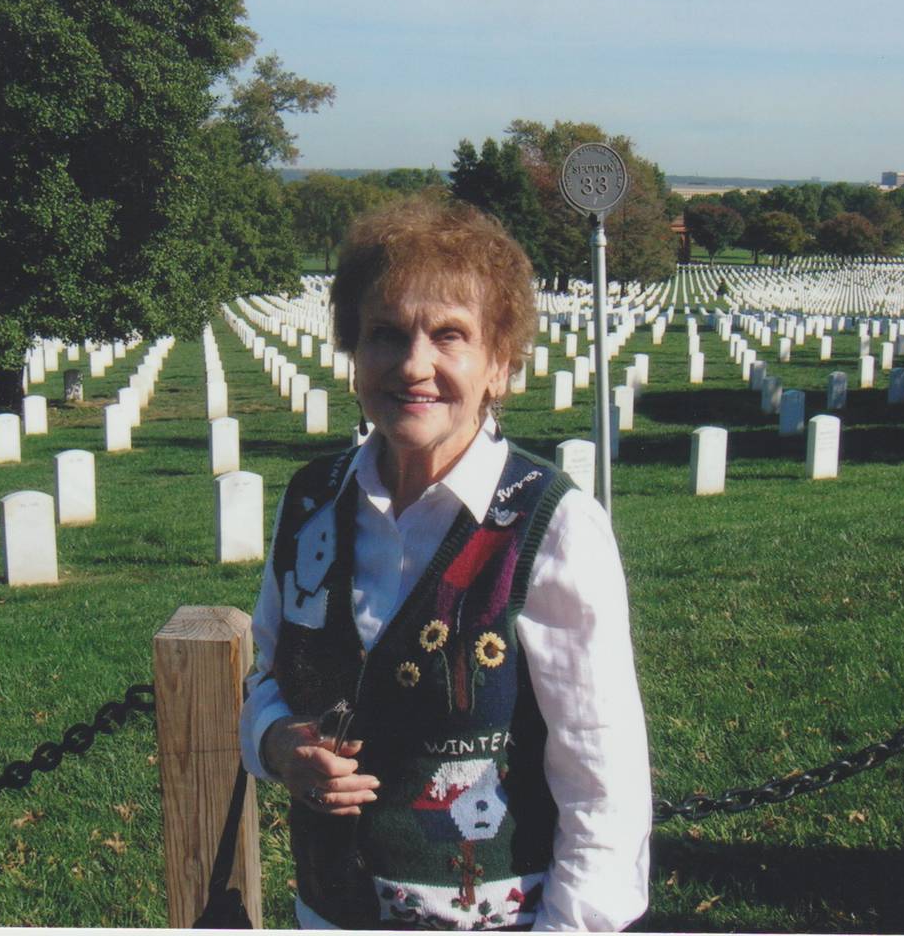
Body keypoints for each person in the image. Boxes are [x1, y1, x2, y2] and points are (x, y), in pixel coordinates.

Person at [239, 196, 651, 931]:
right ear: (353, 352)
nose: (412, 365)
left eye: (449, 336)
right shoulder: (310, 504)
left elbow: (602, 783)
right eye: (385, 334)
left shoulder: (553, 527)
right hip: (325, 915)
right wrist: (276, 745)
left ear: (500, 366)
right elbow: (267, 674)